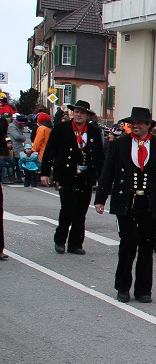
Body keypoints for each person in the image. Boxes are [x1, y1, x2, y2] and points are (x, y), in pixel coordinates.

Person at [94, 107, 156, 303]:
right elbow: (107, 172)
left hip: (151, 202)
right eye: (133, 123)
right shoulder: (119, 146)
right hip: (126, 200)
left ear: (149, 126)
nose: (136, 126)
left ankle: (143, 290)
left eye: (140, 123)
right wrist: (100, 198)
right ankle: (123, 287)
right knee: (128, 243)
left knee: (146, 246)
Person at [40, 100, 105, 255]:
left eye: (82, 112)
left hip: (85, 177)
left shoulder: (94, 131)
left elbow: (99, 156)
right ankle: (60, 240)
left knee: (81, 212)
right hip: (67, 175)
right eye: (76, 111)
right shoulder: (61, 129)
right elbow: (50, 151)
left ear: (87, 115)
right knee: (67, 209)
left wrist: (103, 177)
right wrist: (44, 172)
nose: (78, 115)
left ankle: (76, 244)